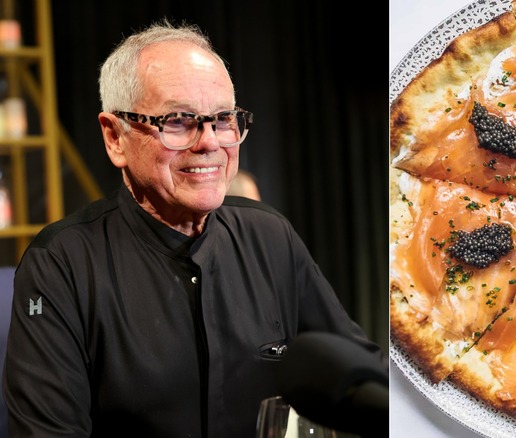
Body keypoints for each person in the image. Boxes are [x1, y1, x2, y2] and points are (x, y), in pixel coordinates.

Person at [2, 21, 384, 437]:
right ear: (115, 137)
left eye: (222, 119)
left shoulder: (271, 237)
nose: (210, 142)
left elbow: (366, 384)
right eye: (178, 121)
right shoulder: (61, 265)